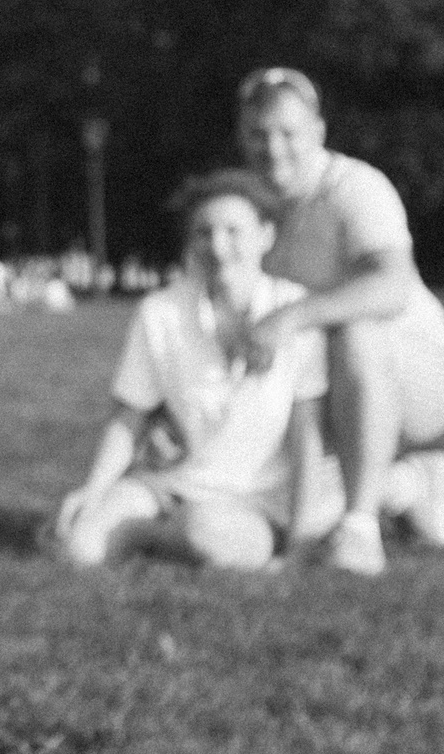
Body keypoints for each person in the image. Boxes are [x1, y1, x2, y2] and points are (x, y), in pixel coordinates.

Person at [234, 68, 444, 575]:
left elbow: (392, 285)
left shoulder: (354, 187)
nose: (273, 148)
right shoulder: (248, 207)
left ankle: (360, 531)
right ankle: (411, 484)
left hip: (416, 372)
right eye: (258, 134)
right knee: (280, 509)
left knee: (353, 329)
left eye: (288, 132)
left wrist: (291, 317)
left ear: (318, 131)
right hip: (319, 385)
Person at [48, 170, 341, 571]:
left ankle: (160, 539)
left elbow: (307, 435)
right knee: (77, 548)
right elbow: (129, 417)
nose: (217, 247)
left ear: (266, 236)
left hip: (256, 499)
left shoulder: (296, 313)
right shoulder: (159, 312)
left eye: (233, 232)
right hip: (170, 487)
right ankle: (158, 535)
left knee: (206, 536)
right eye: (204, 233)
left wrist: (300, 542)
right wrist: (93, 491)